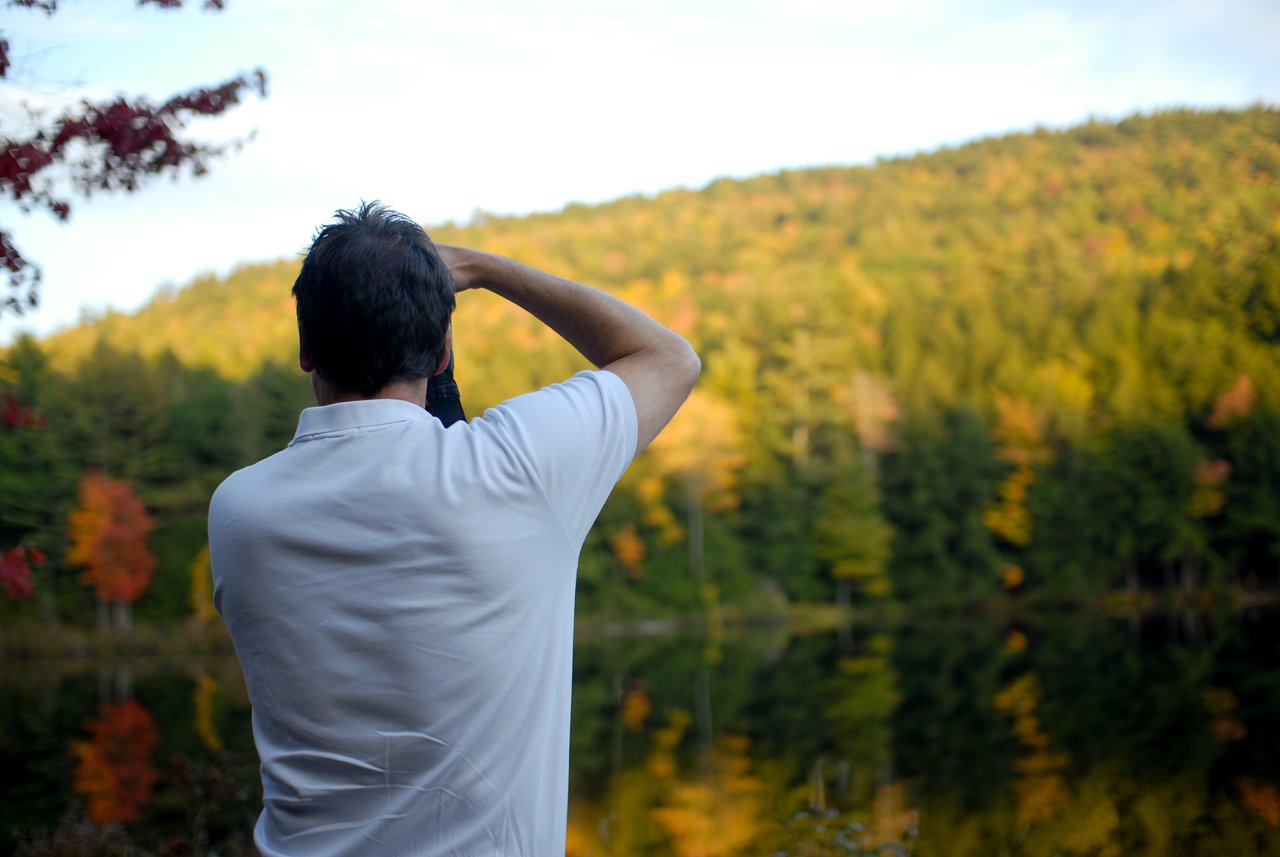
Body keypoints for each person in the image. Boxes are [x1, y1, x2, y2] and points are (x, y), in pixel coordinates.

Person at [207, 202, 699, 856]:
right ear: (441, 353)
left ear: (307, 349)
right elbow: (669, 357)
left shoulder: (240, 510)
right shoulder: (515, 471)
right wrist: (483, 269)